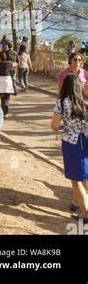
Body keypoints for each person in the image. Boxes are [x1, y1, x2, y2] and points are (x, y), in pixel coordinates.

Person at [51, 74, 87, 223]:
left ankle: (85, 213)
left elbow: (54, 126)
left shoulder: (61, 102)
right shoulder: (84, 102)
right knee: (84, 175)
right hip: (85, 140)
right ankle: (80, 205)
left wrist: (65, 125)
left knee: (75, 179)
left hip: (71, 143)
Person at [0, 51, 16, 117]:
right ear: (6, 57)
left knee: (2, 97)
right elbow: (16, 64)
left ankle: (4, 111)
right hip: (7, 81)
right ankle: (5, 112)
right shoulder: (9, 63)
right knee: (7, 98)